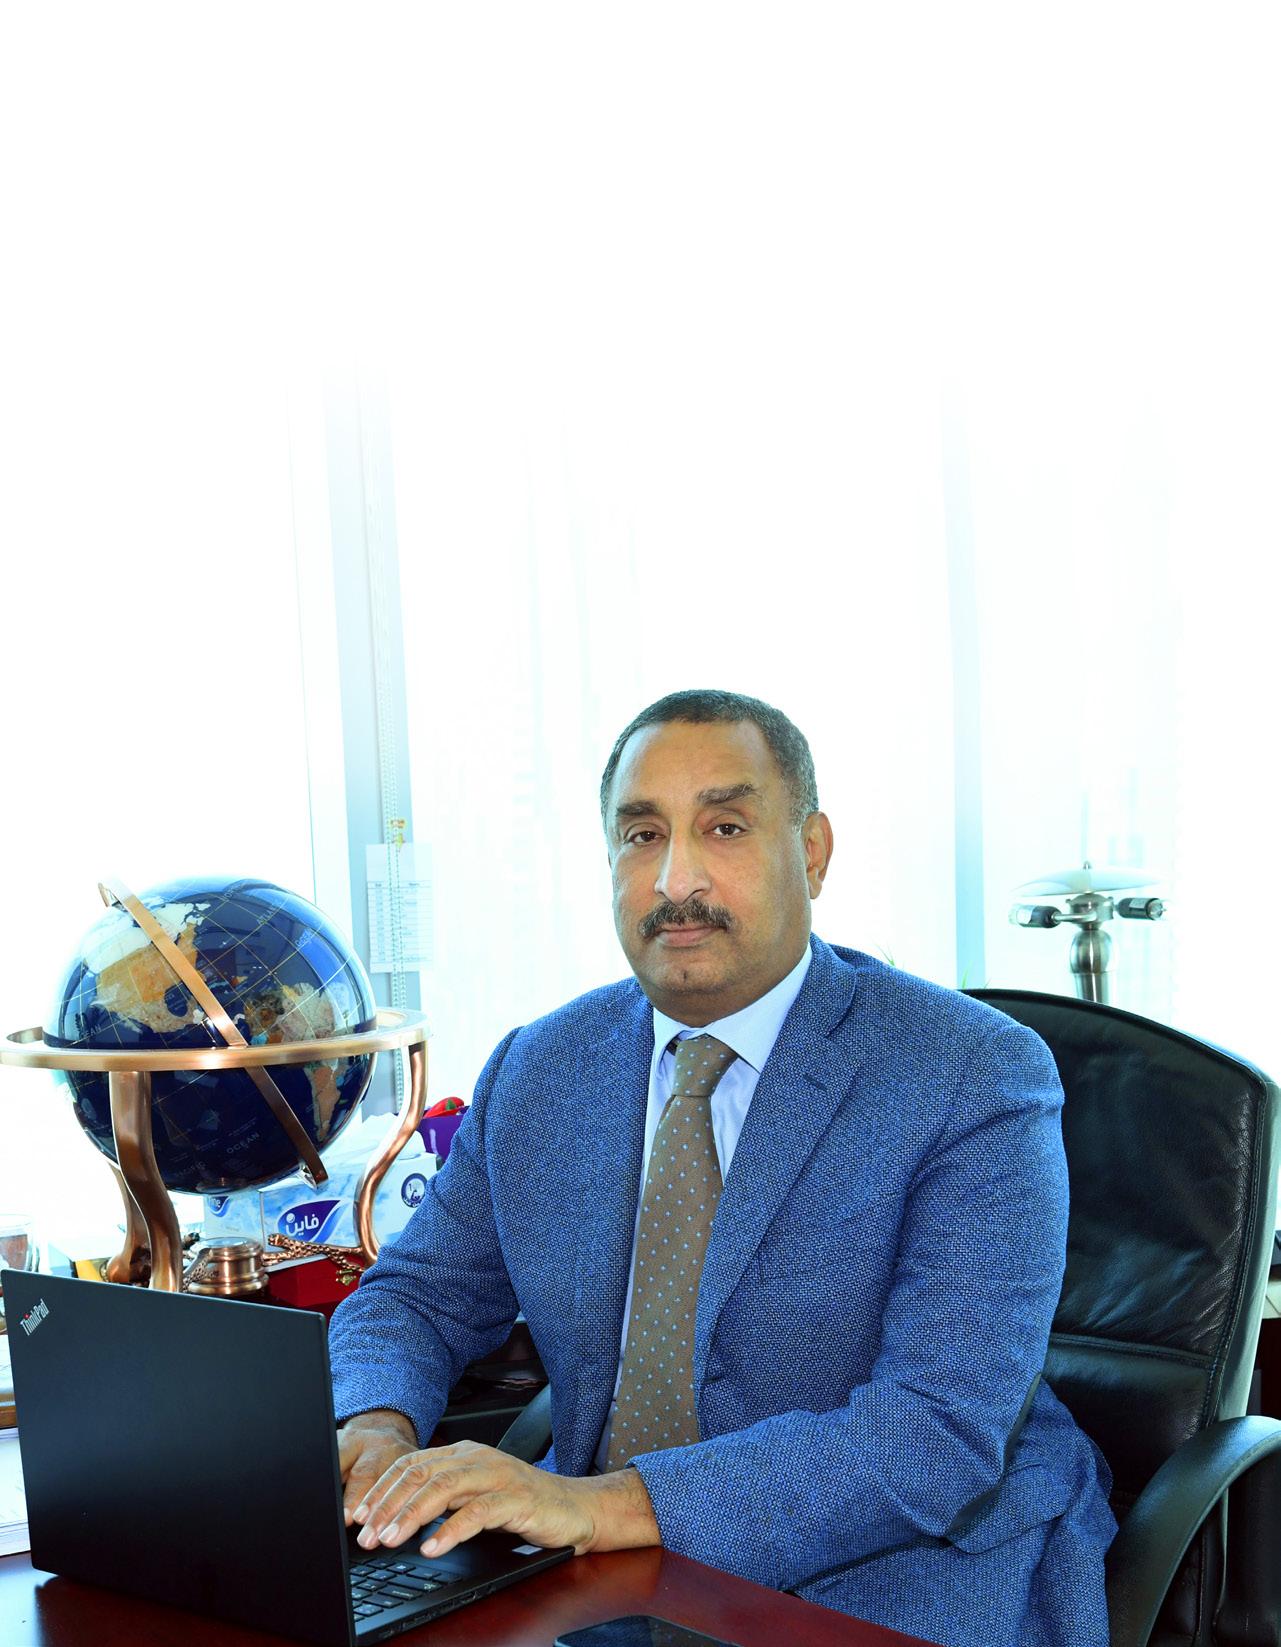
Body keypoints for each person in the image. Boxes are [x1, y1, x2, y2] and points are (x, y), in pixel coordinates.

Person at [329, 688, 1116, 1647]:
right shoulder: (541, 1065)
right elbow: (420, 1294)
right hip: (597, 1578)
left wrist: (600, 1504)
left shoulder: (968, 1072)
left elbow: (935, 1433)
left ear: (812, 850)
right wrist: (374, 1422)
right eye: (641, 835)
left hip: (894, 1569)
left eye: (725, 827)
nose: (676, 878)